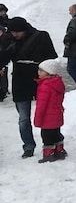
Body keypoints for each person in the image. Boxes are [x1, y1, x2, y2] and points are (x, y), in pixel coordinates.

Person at [0, 17, 57, 158]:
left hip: (40, 80)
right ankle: (28, 147)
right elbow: (3, 58)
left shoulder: (41, 36)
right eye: (13, 32)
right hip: (20, 81)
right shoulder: (10, 40)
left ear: (24, 29)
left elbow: (51, 58)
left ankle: (50, 142)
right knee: (23, 119)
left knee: (47, 114)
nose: (15, 35)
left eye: (17, 32)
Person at [34, 59, 66, 162]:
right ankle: (59, 151)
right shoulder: (57, 83)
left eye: (41, 70)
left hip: (47, 118)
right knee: (56, 134)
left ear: (48, 72)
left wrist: (37, 119)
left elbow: (41, 105)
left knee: (47, 137)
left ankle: (49, 155)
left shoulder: (45, 86)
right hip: (56, 115)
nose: (38, 72)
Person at [0, 3, 9, 102]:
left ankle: (4, 89)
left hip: (4, 47)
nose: (3, 13)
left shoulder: (6, 20)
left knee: (3, 69)